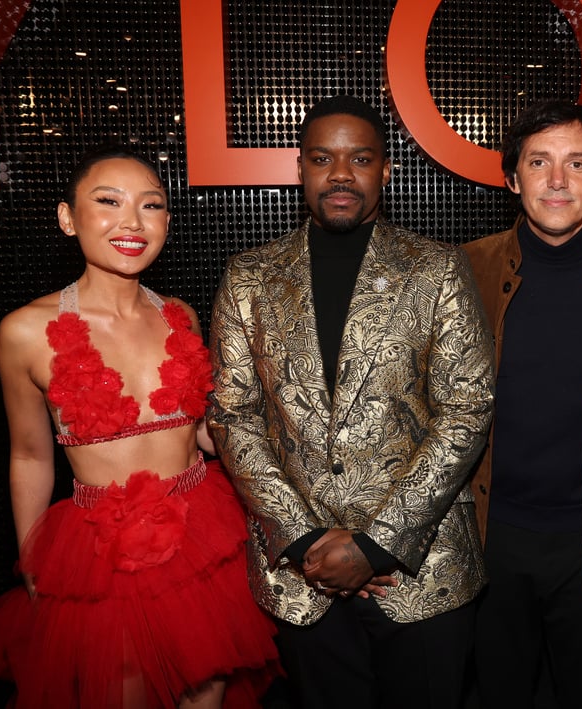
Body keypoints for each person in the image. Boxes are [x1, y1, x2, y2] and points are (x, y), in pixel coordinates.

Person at [0, 145, 279, 707]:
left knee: (207, 692)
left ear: (167, 223)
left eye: (151, 206)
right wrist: (33, 562)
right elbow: (30, 457)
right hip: (100, 553)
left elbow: (203, 431)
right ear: (68, 217)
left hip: (201, 532)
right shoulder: (24, 331)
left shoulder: (179, 313)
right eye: (108, 201)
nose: (131, 222)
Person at [207, 95, 495, 709]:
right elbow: (232, 413)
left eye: (359, 158)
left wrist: (374, 545)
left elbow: (467, 409)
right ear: (301, 170)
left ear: (385, 171)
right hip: (300, 578)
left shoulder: (437, 267)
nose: (340, 174)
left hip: (422, 574)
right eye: (322, 158)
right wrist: (303, 539)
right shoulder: (249, 276)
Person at [461, 100, 582, 708]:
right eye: (539, 162)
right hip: (490, 540)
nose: (558, 181)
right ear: (513, 178)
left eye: (577, 163)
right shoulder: (464, 270)